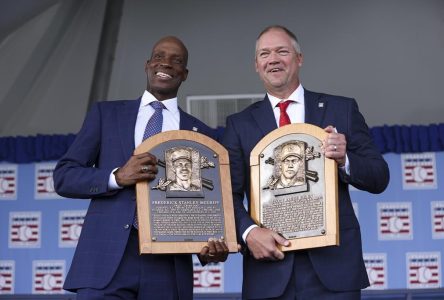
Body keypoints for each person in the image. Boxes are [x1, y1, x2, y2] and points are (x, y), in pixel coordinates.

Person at [54, 36, 229, 299]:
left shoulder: (201, 135)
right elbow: (64, 176)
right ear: (147, 65)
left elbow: (205, 205)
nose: (166, 64)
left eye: (176, 61)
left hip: (168, 268)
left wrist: (209, 245)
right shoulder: (106, 114)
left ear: (185, 73)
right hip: (106, 263)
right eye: (159, 57)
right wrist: (116, 176)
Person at [222, 25, 389, 299]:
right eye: (264, 54)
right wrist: (249, 232)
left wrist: (345, 158)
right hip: (269, 273)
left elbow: (379, 177)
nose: (272, 59)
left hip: (334, 270)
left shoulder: (341, 109)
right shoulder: (239, 125)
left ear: (299, 58)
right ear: (256, 65)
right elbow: (228, 194)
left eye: (281, 51)